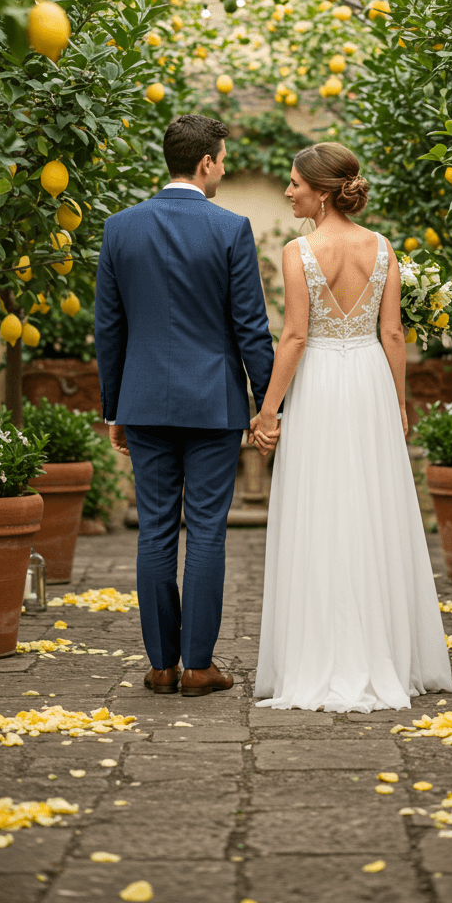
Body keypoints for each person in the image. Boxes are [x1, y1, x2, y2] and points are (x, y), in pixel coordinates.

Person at [251, 142, 452, 713]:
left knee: (319, 506)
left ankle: (318, 655)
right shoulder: (382, 247)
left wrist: (269, 409)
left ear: (320, 191)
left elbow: (292, 337)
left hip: (318, 381)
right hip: (368, 380)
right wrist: (399, 399)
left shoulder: (299, 251)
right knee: (373, 506)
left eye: (294, 183)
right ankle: (384, 650)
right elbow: (393, 334)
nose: (289, 191)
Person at [94, 114, 277, 698]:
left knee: (154, 532)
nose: (223, 167)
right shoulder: (230, 228)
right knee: (205, 531)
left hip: (143, 402)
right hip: (213, 405)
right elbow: (251, 327)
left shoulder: (120, 228)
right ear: (204, 164)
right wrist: (268, 403)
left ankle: (161, 666)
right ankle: (199, 666)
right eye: (222, 159)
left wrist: (113, 407)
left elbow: (110, 328)